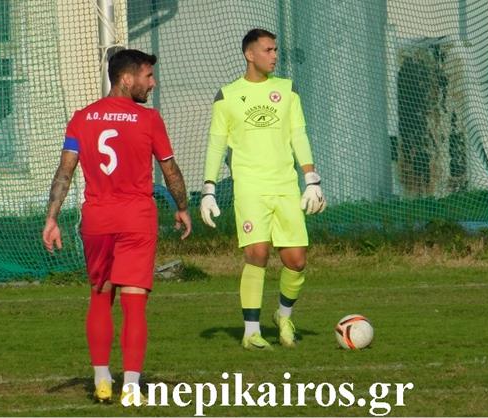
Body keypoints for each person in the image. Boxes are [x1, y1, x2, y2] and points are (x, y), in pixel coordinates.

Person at [42, 49, 191, 404]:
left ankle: (102, 380)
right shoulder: (149, 119)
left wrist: (52, 218)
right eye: (148, 76)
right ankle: (132, 387)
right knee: (134, 304)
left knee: (100, 296)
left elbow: (65, 172)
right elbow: (170, 170)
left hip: (97, 221)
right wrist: (183, 207)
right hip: (136, 219)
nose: (153, 83)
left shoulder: (81, 118)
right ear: (126, 79)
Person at [200, 28, 326, 350]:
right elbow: (216, 145)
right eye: (268, 50)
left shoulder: (287, 89)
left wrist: (311, 179)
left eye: (275, 50)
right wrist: (208, 189)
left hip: (285, 186)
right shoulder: (227, 96)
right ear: (249, 54)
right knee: (256, 253)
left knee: (296, 261)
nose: (274, 56)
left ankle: (283, 316)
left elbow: (299, 135)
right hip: (250, 188)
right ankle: (251, 333)